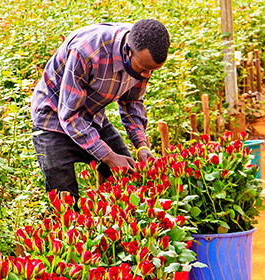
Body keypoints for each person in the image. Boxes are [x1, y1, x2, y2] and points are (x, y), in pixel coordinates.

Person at [30, 19, 170, 198]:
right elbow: (70, 116)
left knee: (131, 180)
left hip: (91, 115)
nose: (146, 75)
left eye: (152, 71)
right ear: (127, 51)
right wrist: (109, 156)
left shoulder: (144, 51)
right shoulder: (87, 51)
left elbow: (132, 102)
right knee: (64, 202)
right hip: (53, 118)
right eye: (143, 70)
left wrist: (141, 145)